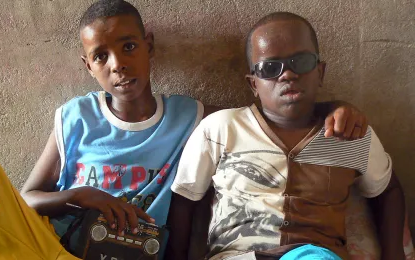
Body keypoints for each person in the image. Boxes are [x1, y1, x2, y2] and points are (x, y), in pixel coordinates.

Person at [0, 1, 368, 259]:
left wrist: (332, 106)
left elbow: (269, 109)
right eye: (102, 56)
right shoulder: (74, 117)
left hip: (136, 253)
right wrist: (79, 195)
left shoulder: (191, 117)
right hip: (54, 248)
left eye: (129, 46)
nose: (118, 63)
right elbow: (26, 200)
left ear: (149, 46)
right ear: (88, 66)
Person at [168, 12, 405, 260]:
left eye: (300, 62)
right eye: (270, 68)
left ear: (320, 72)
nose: (287, 75)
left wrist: (394, 254)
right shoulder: (221, 128)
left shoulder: (349, 133)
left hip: (314, 254)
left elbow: (388, 191)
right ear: (253, 85)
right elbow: (184, 198)